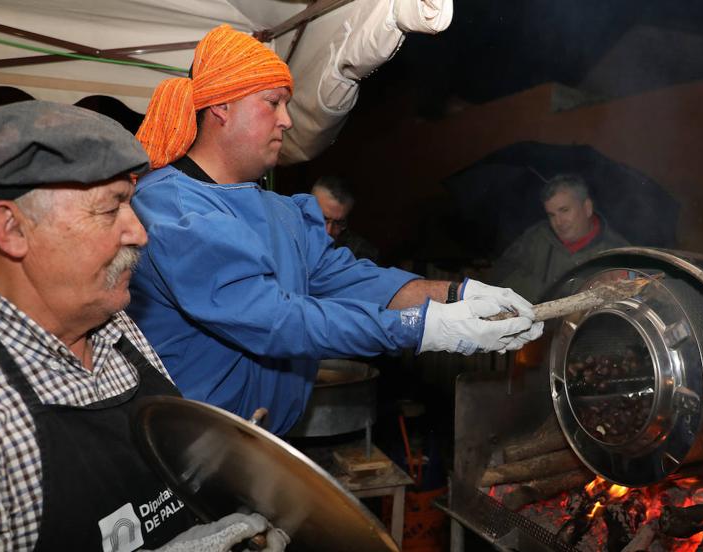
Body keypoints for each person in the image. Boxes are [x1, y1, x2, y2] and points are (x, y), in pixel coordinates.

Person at [127, 24, 543, 436]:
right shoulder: (173, 210)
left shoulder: (278, 211)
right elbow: (275, 320)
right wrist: (420, 327)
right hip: (186, 448)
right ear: (222, 107)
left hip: (256, 444)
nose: (287, 120)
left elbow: (349, 279)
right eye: (272, 103)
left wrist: (456, 294)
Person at [0, 101, 287, 551]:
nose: (140, 233)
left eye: (130, 204)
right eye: (111, 209)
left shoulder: (113, 322)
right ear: (11, 230)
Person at [488, 173, 629, 302]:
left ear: (587, 207)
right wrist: (549, 291)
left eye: (564, 210)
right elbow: (497, 279)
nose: (558, 222)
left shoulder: (618, 252)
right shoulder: (536, 237)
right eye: (551, 215)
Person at [311, 175, 380, 263]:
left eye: (338, 223)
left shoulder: (359, 255)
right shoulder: (291, 237)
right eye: (323, 218)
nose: (328, 231)